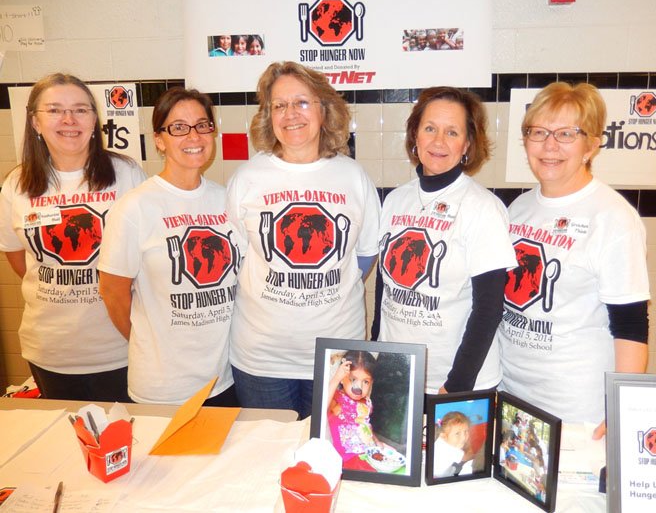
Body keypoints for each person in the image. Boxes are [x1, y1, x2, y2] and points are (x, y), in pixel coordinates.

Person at [225, 61, 381, 419]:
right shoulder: (248, 177)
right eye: (279, 105)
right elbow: (238, 256)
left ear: (324, 110)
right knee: (265, 463)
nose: (290, 114)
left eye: (302, 102)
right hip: (261, 358)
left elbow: (364, 257)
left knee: (330, 459)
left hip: (336, 356)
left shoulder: (353, 176)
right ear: (268, 115)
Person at [497, 82, 649, 432]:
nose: (550, 146)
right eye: (538, 132)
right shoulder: (519, 208)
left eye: (567, 133)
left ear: (591, 144)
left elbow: (630, 326)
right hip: (512, 394)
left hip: (577, 408)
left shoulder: (612, 217)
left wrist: (622, 409)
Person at [0, 73, 145, 401]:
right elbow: (16, 256)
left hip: (119, 345)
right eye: (54, 110)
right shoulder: (16, 184)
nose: (69, 119)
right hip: (51, 350)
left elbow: (146, 252)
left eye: (80, 110)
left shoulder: (126, 174)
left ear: (95, 120)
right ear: (35, 122)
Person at [98, 87, 239, 406]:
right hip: (163, 388)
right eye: (178, 127)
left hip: (223, 379)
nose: (194, 136)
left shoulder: (226, 200)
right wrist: (150, 344)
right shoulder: (135, 207)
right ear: (159, 139)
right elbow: (111, 291)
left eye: (203, 125)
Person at [378, 87, 516, 395]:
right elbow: (384, 290)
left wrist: (456, 385)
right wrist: (377, 358)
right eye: (430, 128)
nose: (439, 141)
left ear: (467, 142)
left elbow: (489, 308)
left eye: (452, 132)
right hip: (397, 375)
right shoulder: (396, 200)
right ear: (415, 134)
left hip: (457, 382)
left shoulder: (482, 207)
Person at [327, 351, 384, 465]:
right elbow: (322, 405)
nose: (359, 387)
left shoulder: (366, 402)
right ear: (342, 378)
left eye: (366, 382)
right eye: (353, 379)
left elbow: (365, 425)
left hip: (369, 452)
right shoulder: (336, 398)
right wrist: (335, 379)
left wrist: (377, 441)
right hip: (348, 457)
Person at [433, 411, 473, 477]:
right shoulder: (453, 451)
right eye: (457, 433)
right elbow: (467, 457)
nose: (463, 437)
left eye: (466, 431)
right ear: (443, 435)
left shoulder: (439, 440)